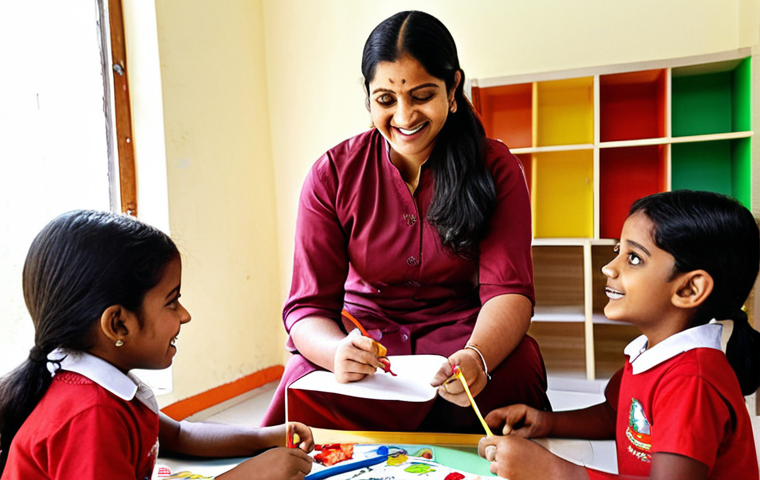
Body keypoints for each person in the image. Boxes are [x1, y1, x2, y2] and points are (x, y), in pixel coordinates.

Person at [261, 10, 550, 432]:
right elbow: (307, 308)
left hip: (461, 339)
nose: (404, 116)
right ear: (368, 97)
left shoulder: (496, 168)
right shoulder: (332, 174)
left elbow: (509, 291)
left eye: (421, 95)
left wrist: (478, 357)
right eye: (386, 100)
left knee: (518, 364)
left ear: (453, 87)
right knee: (300, 383)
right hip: (363, 341)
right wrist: (337, 353)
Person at [0, 210, 314, 479]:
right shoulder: (90, 415)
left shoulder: (107, 383)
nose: (185, 315)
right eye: (172, 301)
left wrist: (263, 438)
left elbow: (180, 435)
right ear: (118, 324)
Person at [478, 190, 760, 480]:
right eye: (618, 252)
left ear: (689, 289)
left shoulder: (692, 382)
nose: (608, 268)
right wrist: (544, 422)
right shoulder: (652, 353)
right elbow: (618, 416)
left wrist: (555, 472)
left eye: (634, 258)